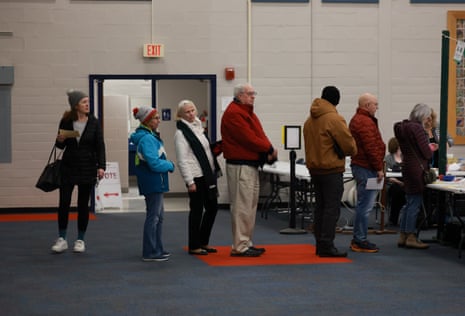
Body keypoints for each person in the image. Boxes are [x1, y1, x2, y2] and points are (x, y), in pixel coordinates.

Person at [221, 83, 278, 257]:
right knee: (241, 207)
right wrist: (268, 149)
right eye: (249, 94)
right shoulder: (234, 113)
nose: (253, 96)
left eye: (254, 93)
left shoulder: (247, 112)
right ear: (239, 95)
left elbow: (259, 134)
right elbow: (248, 138)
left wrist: (268, 147)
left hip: (249, 164)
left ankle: (245, 242)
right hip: (240, 165)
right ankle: (240, 245)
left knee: (250, 206)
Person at [303, 86, 357, 258]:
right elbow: (350, 146)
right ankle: (327, 245)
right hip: (331, 169)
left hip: (314, 169)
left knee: (320, 207)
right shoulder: (334, 119)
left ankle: (320, 243)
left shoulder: (309, 120)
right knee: (331, 209)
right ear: (336, 100)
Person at [51, 89, 106, 254]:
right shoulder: (66, 121)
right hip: (68, 166)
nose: (87, 104)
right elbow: (60, 146)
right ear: (76, 106)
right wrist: (59, 140)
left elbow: (100, 146)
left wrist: (101, 166)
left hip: (88, 167)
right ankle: (62, 239)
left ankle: (80, 240)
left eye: (88, 101)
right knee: (64, 203)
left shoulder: (94, 122)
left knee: (83, 204)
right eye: (84, 102)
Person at [174, 100, 222, 256]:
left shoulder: (198, 127)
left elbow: (206, 150)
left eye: (193, 110)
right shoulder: (181, 133)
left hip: (207, 175)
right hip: (196, 177)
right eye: (187, 112)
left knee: (212, 208)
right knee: (196, 211)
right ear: (181, 114)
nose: (191, 113)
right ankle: (194, 245)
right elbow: (183, 160)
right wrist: (189, 181)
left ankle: (203, 242)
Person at [130, 106, 175, 261]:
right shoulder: (147, 139)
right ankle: (150, 251)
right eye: (156, 118)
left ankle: (157, 248)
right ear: (147, 121)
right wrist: (170, 165)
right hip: (153, 181)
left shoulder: (148, 136)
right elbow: (154, 164)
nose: (159, 120)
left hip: (154, 181)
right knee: (154, 217)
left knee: (158, 217)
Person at [394, 103, 437, 249]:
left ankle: (403, 235)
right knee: (414, 204)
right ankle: (411, 236)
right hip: (417, 169)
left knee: (409, 203)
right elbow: (427, 153)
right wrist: (430, 141)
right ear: (423, 116)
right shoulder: (417, 129)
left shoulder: (402, 127)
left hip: (407, 167)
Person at [349, 93, 386, 253]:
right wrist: (379, 167)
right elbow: (371, 147)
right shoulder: (364, 122)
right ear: (367, 105)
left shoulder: (360, 120)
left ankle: (359, 238)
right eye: (375, 104)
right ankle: (360, 239)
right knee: (365, 206)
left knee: (363, 205)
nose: (377, 107)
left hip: (363, 166)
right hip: (366, 167)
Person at [384, 137, 405, 226]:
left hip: (405, 182)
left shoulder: (406, 157)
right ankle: (394, 218)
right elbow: (387, 176)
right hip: (392, 183)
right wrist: (399, 182)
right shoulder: (388, 158)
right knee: (398, 191)